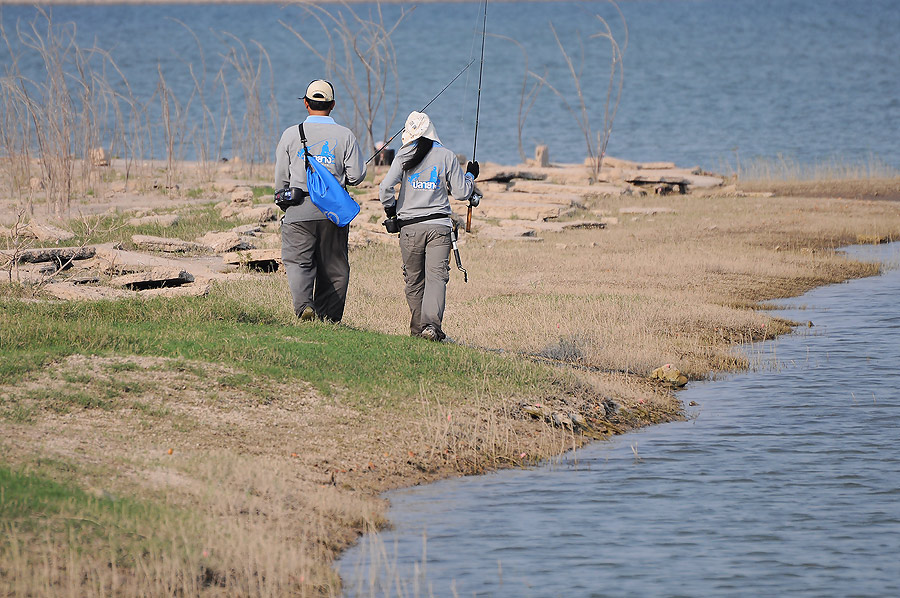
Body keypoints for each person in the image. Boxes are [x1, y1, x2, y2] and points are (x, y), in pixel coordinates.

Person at [379, 111, 480, 341]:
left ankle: (418, 330)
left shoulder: (403, 154)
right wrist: (471, 175)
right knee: (437, 278)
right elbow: (463, 192)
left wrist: (390, 209)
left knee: (414, 280)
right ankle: (431, 327)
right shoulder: (446, 155)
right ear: (431, 130)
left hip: (409, 228)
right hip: (439, 227)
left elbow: (385, 188)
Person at [275, 80, 366, 322]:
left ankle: (304, 305)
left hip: (297, 210)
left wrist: (285, 204)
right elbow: (356, 176)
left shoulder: (291, 134)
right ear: (332, 105)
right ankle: (329, 318)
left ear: (306, 103)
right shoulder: (345, 135)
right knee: (335, 269)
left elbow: (281, 179)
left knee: (298, 263)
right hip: (332, 213)